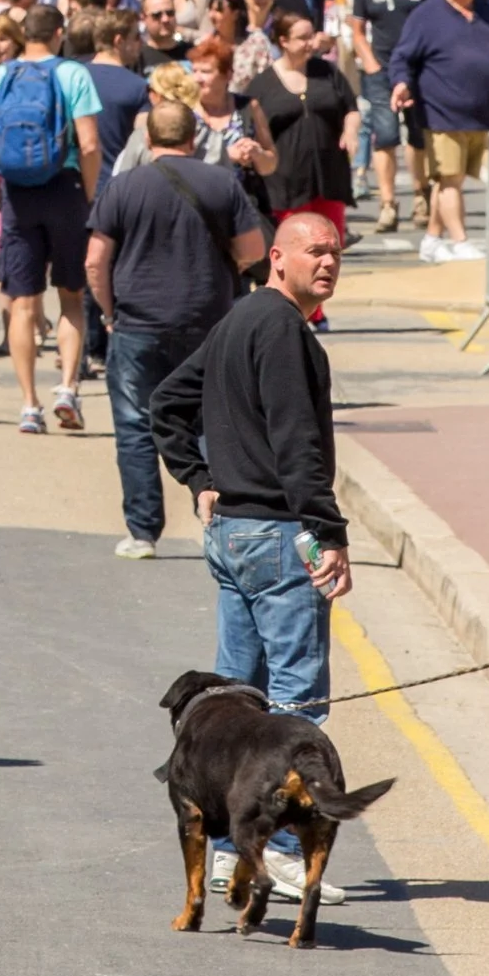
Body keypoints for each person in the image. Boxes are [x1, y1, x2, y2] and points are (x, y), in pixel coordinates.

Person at [153, 207, 350, 721]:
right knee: (297, 700)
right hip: (279, 537)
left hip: (232, 535)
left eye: (335, 253)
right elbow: (296, 441)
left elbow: (166, 402)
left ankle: (229, 798)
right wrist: (329, 532)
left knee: (235, 699)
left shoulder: (240, 317)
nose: (328, 262)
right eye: (316, 251)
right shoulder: (282, 330)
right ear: (278, 258)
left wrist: (202, 481)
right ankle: (287, 802)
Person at [84, 96, 267, 562]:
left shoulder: (124, 186)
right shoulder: (222, 183)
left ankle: (143, 532)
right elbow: (252, 249)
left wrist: (109, 312)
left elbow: (94, 261)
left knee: (136, 427)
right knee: (212, 424)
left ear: (148, 140)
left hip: (137, 325)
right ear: (194, 137)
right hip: (210, 325)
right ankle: (221, 522)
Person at [0, 1, 102, 438]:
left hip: (18, 196)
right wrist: (90, 191)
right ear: (60, 33)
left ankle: (29, 404)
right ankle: (66, 387)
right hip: (65, 190)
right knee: (71, 297)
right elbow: (88, 145)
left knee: (24, 304)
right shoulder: (73, 74)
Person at [386, 0, 489, 263]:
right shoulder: (426, 16)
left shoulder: (484, 9)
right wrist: (401, 84)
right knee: (449, 179)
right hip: (444, 114)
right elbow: (402, 57)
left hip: (484, 115)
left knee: (450, 181)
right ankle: (459, 239)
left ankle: (431, 238)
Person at [237, 9, 358, 231]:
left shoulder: (327, 72)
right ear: (283, 41)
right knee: (295, 245)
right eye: (303, 38)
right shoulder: (262, 86)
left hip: (329, 177)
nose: (311, 43)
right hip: (285, 185)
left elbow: (350, 107)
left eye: (312, 36)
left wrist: (350, 132)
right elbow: (250, 128)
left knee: (329, 244)